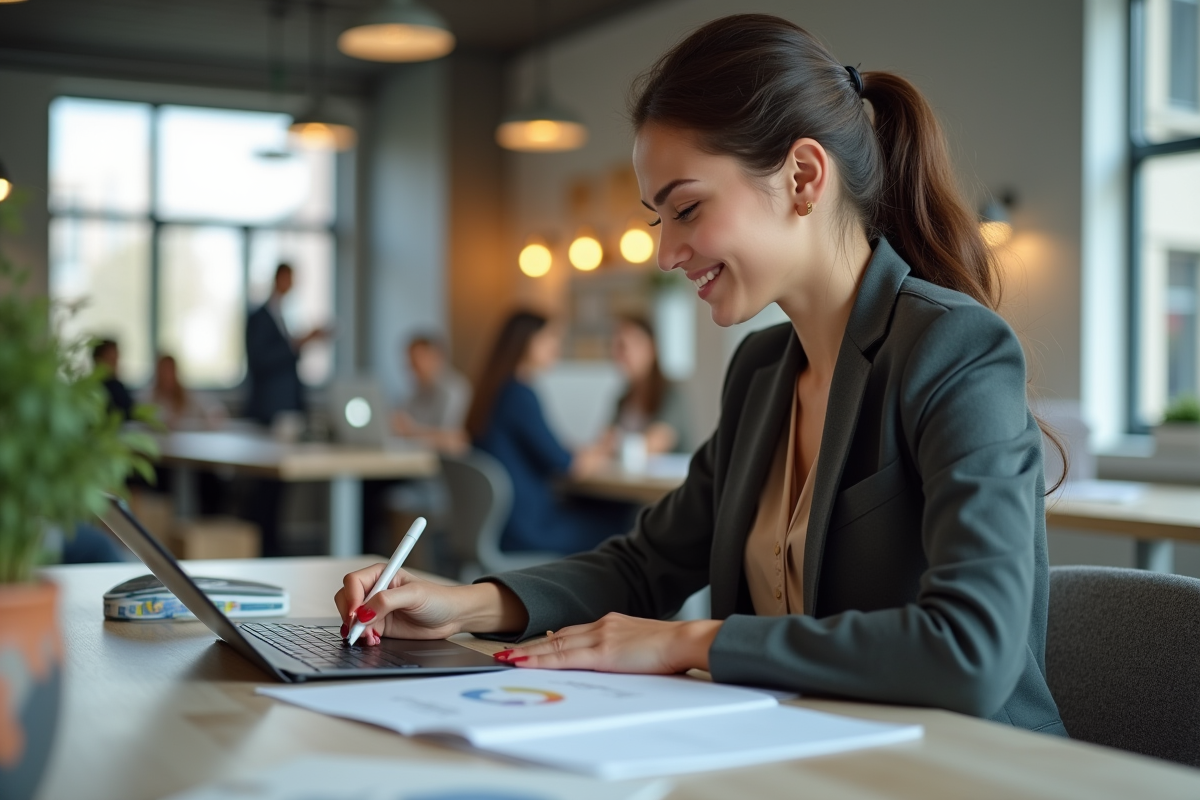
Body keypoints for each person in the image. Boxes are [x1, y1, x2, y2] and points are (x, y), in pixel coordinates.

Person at [331, 14, 1068, 738]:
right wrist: (467, 604)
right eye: (660, 219)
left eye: (686, 208)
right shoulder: (762, 371)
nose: (666, 253)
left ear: (804, 177)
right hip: (807, 751)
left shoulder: (954, 348)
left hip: (971, 769)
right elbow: (650, 561)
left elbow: (973, 649)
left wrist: (688, 642)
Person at [460, 310, 629, 555]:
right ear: (526, 341)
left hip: (503, 525)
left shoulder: (494, 391)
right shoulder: (519, 394)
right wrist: (602, 451)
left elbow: (547, 449)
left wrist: (586, 452)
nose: (556, 347)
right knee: (625, 522)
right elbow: (566, 465)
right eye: (550, 339)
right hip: (527, 529)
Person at [244, 263, 327, 426]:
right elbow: (260, 359)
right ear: (279, 278)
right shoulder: (259, 318)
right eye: (289, 278)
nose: (292, 284)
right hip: (269, 405)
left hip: (287, 403)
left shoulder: (282, 315)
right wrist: (298, 343)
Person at [605, 315, 692, 455]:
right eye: (618, 347)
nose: (622, 354)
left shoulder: (671, 394)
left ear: (651, 348)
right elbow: (605, 441)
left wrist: (616, 444)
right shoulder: (622, 400)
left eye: (627, 345)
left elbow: (657, 441)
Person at [391, 334, 471, 454]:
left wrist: (411, 431)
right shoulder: (415, 393)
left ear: (436, 357)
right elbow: (400, 425)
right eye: (411, 364)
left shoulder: (455, 390)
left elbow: (452, 441)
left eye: (417, 362)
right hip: (419, 459)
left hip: (448, 464)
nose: (413, 369)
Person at [142, 354, 226, 431]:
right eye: (164, 371)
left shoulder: (187, 394)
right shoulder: (149, 397)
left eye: (170, 370)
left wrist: (213, 415)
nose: (167, 375)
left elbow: (211, 407)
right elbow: (143, 421)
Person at [92, 338, 133, 420]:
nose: (115, 363)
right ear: (98, 360)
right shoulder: (111, 387)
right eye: (111, 358)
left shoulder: (117, 386)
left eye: (116, 358)